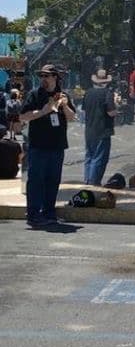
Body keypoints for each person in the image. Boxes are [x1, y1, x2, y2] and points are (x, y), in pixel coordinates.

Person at [19, 64, 76, 227]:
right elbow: (23, 116)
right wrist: (44, 111)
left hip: (57, 146)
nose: (43, 79)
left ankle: (49, 213)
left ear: (55, 77)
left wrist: (64, 105)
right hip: (38, 145)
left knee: (53, 180)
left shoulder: (63, 96)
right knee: (36, 180)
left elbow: (72, 117)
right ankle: (33, 215)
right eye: (41, 76)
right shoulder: (35, 95)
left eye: (47, 76)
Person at [82, 69, 117, 186]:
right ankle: (94, 181)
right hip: (102, 130)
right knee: (99, 158)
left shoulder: (88, 93)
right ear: (106, 81)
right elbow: (111, 112)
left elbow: (83, 110)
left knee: (89, 156)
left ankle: (87, 180)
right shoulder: (107, 93)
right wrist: (117, 104)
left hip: (89, 130)